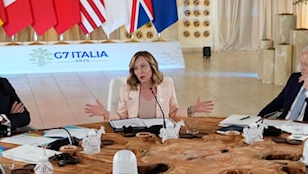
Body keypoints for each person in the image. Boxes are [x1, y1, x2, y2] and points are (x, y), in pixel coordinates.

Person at [84, 50, 213, 122]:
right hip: (136, 135)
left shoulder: (167, 84)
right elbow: (122, 117)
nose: (139, 71)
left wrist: (191, 110)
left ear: (152, 66)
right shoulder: (127, 89)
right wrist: (106, 113)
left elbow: (172, 113)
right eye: (135, 68)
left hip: (160, 134)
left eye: (143, 66)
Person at [258, 44, 308, 124]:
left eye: (306, 65)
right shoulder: (295, 78)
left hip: (306, 132)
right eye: (301, 63)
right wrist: (257, 118)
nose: (301, 68)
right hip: (283, 126)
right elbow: (277, 103)